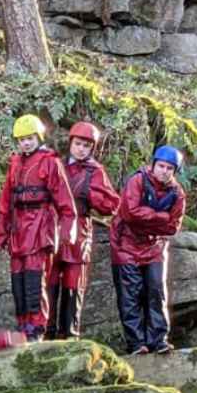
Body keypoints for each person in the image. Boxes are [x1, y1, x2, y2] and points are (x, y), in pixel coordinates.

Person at [0, 114, 77, 342]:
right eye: (21, 140)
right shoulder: (15, 163)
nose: (26, 143)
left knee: (34, 279)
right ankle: (23, 327)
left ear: (38, 137)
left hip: (40, 225)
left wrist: (69, 229)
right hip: (19, 228)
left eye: (30, 138)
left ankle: (37, 327)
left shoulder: (50, 162)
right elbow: (5, 201)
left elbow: (64, 200)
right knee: (18, 281)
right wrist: (2, 232)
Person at [46, 121, 120, 341]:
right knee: (49, 282)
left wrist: (91, 196)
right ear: (70, 143)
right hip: (54, 230)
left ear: (92, 148)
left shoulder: (95, 171)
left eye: (86, 146)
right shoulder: (56, 165)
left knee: (73, 282)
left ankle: (70, 334)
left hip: (80, 232)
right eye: (78, 144)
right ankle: (46, 332)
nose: (81, 149)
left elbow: (112, 205)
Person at [113, 145, 188, 356]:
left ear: (174, 171)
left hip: (155, 246)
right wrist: (160, 217)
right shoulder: (137, 181)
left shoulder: (177, 193)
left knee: (156, 292)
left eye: (169, 168)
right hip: (125, 245)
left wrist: (150, 220)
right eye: (161, 166)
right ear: (153, 164)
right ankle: (136, 343)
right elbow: (130, 213)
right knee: (130, 295)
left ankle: (158, 340)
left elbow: (173, 226)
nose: (164, 171)